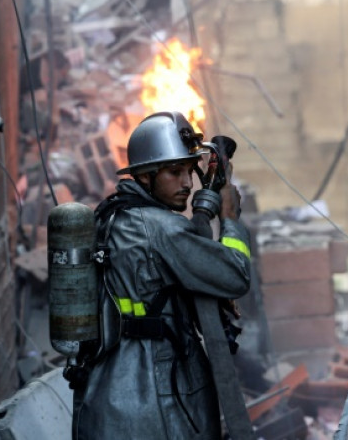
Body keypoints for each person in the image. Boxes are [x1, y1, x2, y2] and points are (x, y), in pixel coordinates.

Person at [72, 111, 252, 439]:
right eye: (174, 172)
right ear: (144, 177)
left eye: (188, 171)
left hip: (106, 392)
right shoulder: (162, 228)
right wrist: (230, 218)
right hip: (158, 391)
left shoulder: (114, 217)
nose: (186, 182)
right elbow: (236, 275)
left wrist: (204, 208)